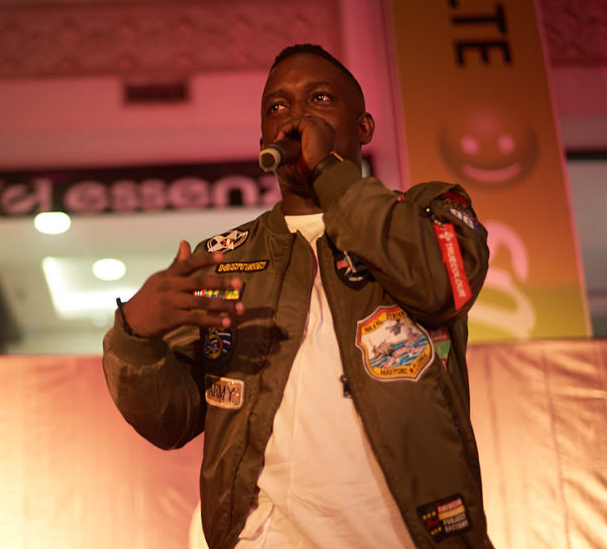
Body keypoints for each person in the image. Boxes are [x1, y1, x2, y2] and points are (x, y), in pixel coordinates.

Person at [102, 43, 492, 548]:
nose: (294, 118)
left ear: (364, 127)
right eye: (277, 107)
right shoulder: (222, 258)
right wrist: (135, 338)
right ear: (263, 139)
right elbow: (170, 422)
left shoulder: (428, 210)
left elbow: (439, 285)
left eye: (320, 99)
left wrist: (330, 171)